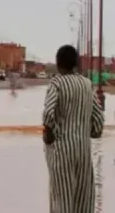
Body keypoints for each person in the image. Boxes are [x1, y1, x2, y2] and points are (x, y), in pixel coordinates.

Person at [43, 45, 104, 212]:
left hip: (61, 151)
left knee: (61, 198)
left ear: (58, 63)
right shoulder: (87, 84)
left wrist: (48, 134)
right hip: (83, 151)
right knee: (83, 198)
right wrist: (92, 132)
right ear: (76, 63)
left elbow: (48, 113)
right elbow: (98, 118)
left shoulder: (57, 83)